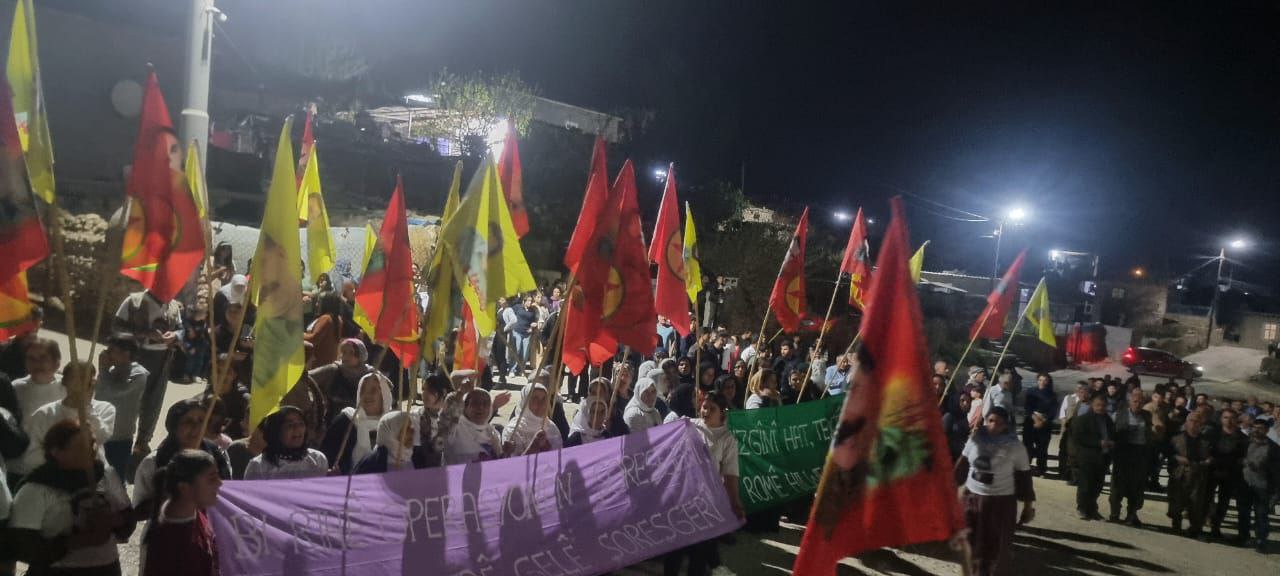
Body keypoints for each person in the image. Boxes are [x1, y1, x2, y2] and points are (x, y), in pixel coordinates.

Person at [7, 419, 134, 573]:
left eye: (92, 443)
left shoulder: (106, 476)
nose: (91, 450)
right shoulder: (35, 489)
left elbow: (128, 519)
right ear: (56, 451)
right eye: (81, 447)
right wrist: (78, 541)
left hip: (107, 568)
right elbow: (23, 547)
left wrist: (112, 519)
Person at [665, 392, 745, 575]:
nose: (706, 411)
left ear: (722, 413)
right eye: (704, 407)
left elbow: (730, 475)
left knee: (699, 553)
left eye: (712, 409)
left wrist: (735, 502)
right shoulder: (688, 425)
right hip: (682, 498)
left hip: (707, 503)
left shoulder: (727, 439)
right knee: (675, 550)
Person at [954, 406, 1035, 576]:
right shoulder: (975, 439)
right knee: (970, 541)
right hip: (972, 498)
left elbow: (1024, 478)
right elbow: (963, 464)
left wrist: (1028, 506)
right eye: (990, 421)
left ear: (1006, 425)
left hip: (999, 503)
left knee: (994, 547)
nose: (993, 426)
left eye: (999, 423)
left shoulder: (1016, 447)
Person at [111, 290, 182, 456]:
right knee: (128, 399)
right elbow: (116, 328)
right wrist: (145, 333)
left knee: (153, 401)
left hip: (162, 359)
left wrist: (175, 335)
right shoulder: (134, 301)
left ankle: (142, 442)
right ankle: (118, 437)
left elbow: (181, 329)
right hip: (135, 357)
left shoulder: (173, 306)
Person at [133, 398, 232, 515]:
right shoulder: (153, 462)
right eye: (188, 422)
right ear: (173, 427)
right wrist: (176, 498)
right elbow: (138, 511)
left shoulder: (217, 454)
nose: (196, 427)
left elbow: (229, 494)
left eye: (201, 421)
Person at [21, 362, 115, 475]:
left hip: (94, 476)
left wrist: (86, 407)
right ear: (64, 381)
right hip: (56, 477)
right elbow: (31, 454)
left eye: (86, 379)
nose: (81, 383)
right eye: (76, 378)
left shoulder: (104, 408)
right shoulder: (45, 413)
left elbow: (101, 436)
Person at [141, 449, 222, 576]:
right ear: (184, 488)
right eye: (212, 479)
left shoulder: (195, 510)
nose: (220, 483)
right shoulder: (169, 546)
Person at [91, 335, 149, 484]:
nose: (107, 353)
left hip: (120, 438)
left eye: (112, 350)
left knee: (115, 481)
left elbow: (112, 393)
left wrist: (103, 370)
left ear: (126, 353)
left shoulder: (138, 374)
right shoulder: (113, 371)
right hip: (101, 432)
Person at [322, 372, 394, 474]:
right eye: (363, 390)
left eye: (373, 390)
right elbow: (326, 455)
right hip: (349, 481)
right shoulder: (346, 420)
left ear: (384, 395)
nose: (367, 395)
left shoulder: (393, 425)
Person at [243, 406, 328, 480]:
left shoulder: (317, 459)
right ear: (276, 431)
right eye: (289, 425)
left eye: (301, 424)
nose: (297, 428)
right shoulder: (259, 466)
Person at [1110, 388, 1153, 526]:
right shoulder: (1119, 414)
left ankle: (1132, 513)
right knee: (1118, 484)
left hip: (1140, 453)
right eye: (1135, 401)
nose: (1137, 404)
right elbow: (1111, 432)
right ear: (1129, 402)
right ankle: (1115, 513)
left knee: (1136, 486)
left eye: (1140, 402)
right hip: (1123, 452)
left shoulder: (1147, 415)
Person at [308, 338, 373, 424]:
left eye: (351, 353)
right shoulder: (333, 370)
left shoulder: (369, 374)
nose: (346, 356)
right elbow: (308, 378)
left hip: (360, 421)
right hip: (333, 420)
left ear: (360, 355)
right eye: (344, 352)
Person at [1070, 395, 1114, 520]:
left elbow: (1112, 434)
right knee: (1085, 485)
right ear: (1092, 405)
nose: (1100, 408)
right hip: (1087, 457)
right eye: (1098, 405)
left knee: (1097, 485)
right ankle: (1082, 508)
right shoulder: (1083, 419)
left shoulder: (1107, 420)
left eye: (1103, 405)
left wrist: (1112, 443)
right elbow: (1079, 438)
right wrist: (1098, 443)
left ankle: (1092, 509)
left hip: (1103, 457)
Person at [1206, 408, 1248, 541]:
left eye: (1231, 418)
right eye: (1225, 417)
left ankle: (1216, 527)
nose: (1228, 421)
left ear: (1236, 420)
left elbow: (1244, 457)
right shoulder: (1212, 434)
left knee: (1224, 502)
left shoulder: (1243, 438)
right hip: (1212, 471)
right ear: (1221, 419)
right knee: (1206, 498)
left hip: (1231, 473)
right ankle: (1202, 523)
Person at [1169, 412, 1213, 537]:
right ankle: (1176, 526)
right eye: (1191, 420)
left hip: (1199, 474)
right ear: (1186, 422)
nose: (1194, 424)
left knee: (1196, 503)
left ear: (1201, 425)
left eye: (1197, 421)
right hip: (1181, 473)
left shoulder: (1206, 441)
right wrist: (1176, 458)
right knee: (1177, 501)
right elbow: (1168, 453)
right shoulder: (1176, 439)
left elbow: (1212, 456)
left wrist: (1208, 460)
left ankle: (1194, 528)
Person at [1240, 417, 1279, 553]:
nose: (1256, 431)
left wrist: (1275, 491)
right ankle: (1243, 537)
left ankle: (1261, 540)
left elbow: (1276, 471)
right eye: (1255, 427)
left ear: (1267, 431)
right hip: (1244, 483)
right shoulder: (1244, 443)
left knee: (1261, 514)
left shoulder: (1274, 448)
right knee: (1244, 512)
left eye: (1260, 429)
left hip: (1262, 486)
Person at [501, 382, 563, 456]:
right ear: (525, 402)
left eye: (544, 399)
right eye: (535, 399)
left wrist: (546, 447)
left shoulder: (551, 427)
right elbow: (513, 461)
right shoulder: (512, 430)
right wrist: (534, 445)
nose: (540, 403)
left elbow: (559, 457)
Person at [11, 338, 64, 426]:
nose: (36, 364)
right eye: (31, 358)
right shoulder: (16, 388)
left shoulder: (67, 387)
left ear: (56, 363)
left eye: (43, 358)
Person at [443, 389, 503, 465]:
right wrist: (461, 392)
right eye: (475, 403)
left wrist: (505, 453)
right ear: (465, 407)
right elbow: (447, 414)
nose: (481, 407)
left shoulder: (492, 433)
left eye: (485, 403)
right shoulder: (454, 429)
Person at [353, 411, 425, 474]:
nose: (412, 432)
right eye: (406, 428)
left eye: (411, 427)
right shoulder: (372, 463)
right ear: (390, 433)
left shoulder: (417, 457)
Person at [413, 373, 452, 468]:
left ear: (443, 392)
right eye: (423, 389)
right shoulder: (416, 415)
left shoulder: (452, 417)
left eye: (430, 390)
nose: (424, 394)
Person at [1021, 373, 1056, 475]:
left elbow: (1053, 411)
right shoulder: (1031, 392)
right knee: (1027, 446)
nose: (1042, 382)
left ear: (1048, 382)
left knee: (1042, 448)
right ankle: (1025, 468)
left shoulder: (1052, 395)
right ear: (1037, 381)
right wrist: (1035, 419)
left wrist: (1043, 421)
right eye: (1040, 380)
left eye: (1045, 380)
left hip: (1045, 424)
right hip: (1030, 422)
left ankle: (1041, 469)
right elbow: (1027, 407)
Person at [1057, 382, 1090, 483]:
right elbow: (1063, 413)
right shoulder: (1072, 399)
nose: (1081, 393)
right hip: (1069, 430)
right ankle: (1065, 473)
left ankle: (1075, 477)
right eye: (1079, 391)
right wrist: (1065, 424)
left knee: (1076, 455)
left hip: (1081, 433)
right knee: (1066, 452)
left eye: (1083, 391)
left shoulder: (1090, 405)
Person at [304, 293, 345, 368]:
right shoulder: (338, 319)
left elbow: (314, 338)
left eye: (319, 302)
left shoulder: (326, 318)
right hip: (328, 362)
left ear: (326, 304)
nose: (316, 304)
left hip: (317, 362)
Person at [179, 296, 210, 384]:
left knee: (199, 360)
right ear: (199, 313)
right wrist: (189, 347)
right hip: (191, 344)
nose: (206, 315)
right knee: (190, 360)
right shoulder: (188, 322)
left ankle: (195, 375)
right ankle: (186, 374)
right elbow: (185, 336)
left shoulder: (203, 323)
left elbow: (204, 334)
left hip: (201, 344)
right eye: (205, 313)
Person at [943, 393, 973, 462]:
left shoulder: (964, 419)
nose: (965, 403)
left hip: (959, 456)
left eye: (968, 402)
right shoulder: (949, 417)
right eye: (962, 400)